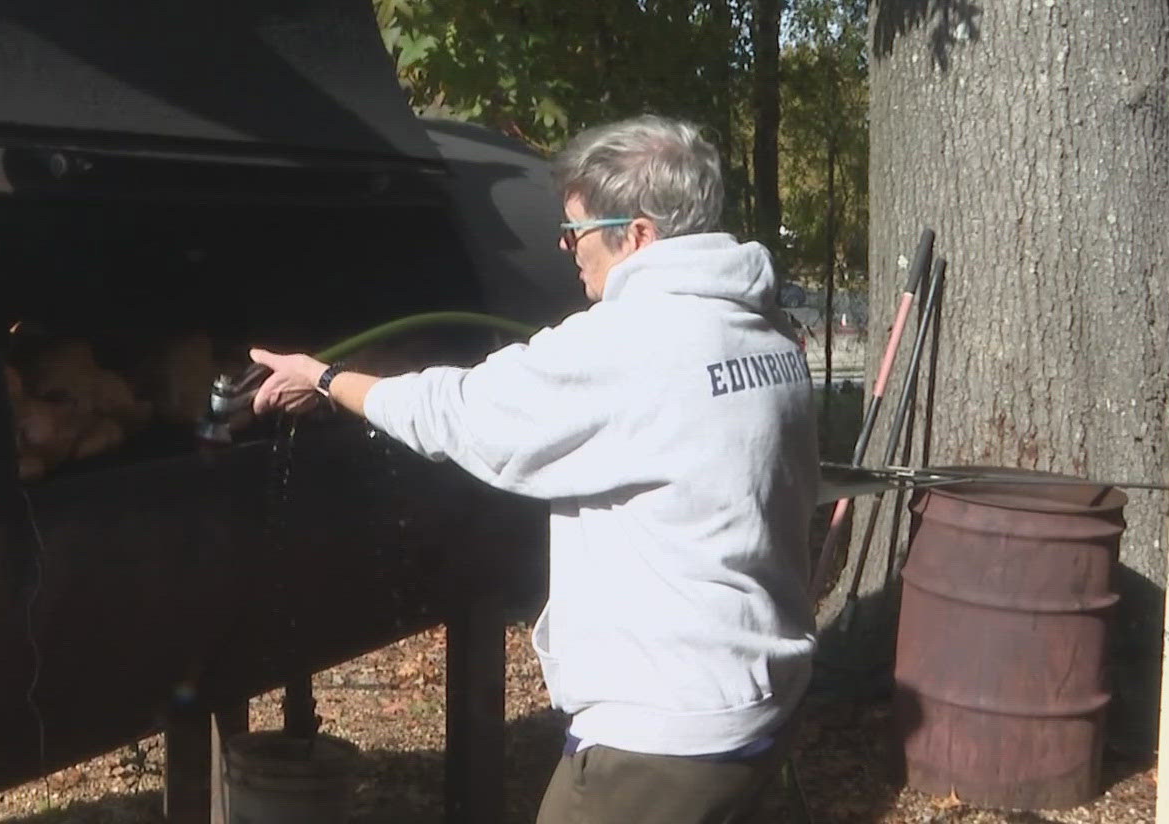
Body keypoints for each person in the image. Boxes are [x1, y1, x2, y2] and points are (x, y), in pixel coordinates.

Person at [250, 115, 818, 824]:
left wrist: (330, 380)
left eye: (576, 232)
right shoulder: (766, 334)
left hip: (666, 731)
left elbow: (459, 412)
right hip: (764, 691)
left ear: (638, 235)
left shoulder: (630, 342)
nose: (567, 251)